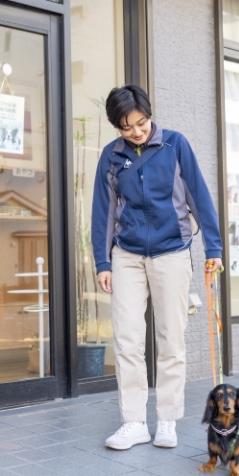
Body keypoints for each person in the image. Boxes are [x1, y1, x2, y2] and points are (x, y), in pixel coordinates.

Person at [91, 85, 223, 450]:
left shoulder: (175, 145)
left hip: (171, 251)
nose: (136, 131)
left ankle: (167, 421)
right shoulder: (111, 156)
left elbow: (199, 196)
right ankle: (134, 423)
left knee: (170, 338)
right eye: (127, 126)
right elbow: (103, 213)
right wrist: (103, 262)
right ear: (116, 126)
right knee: (128, 339)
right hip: (127, 256)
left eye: (141, 122)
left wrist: (214, 246)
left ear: (150, 115)